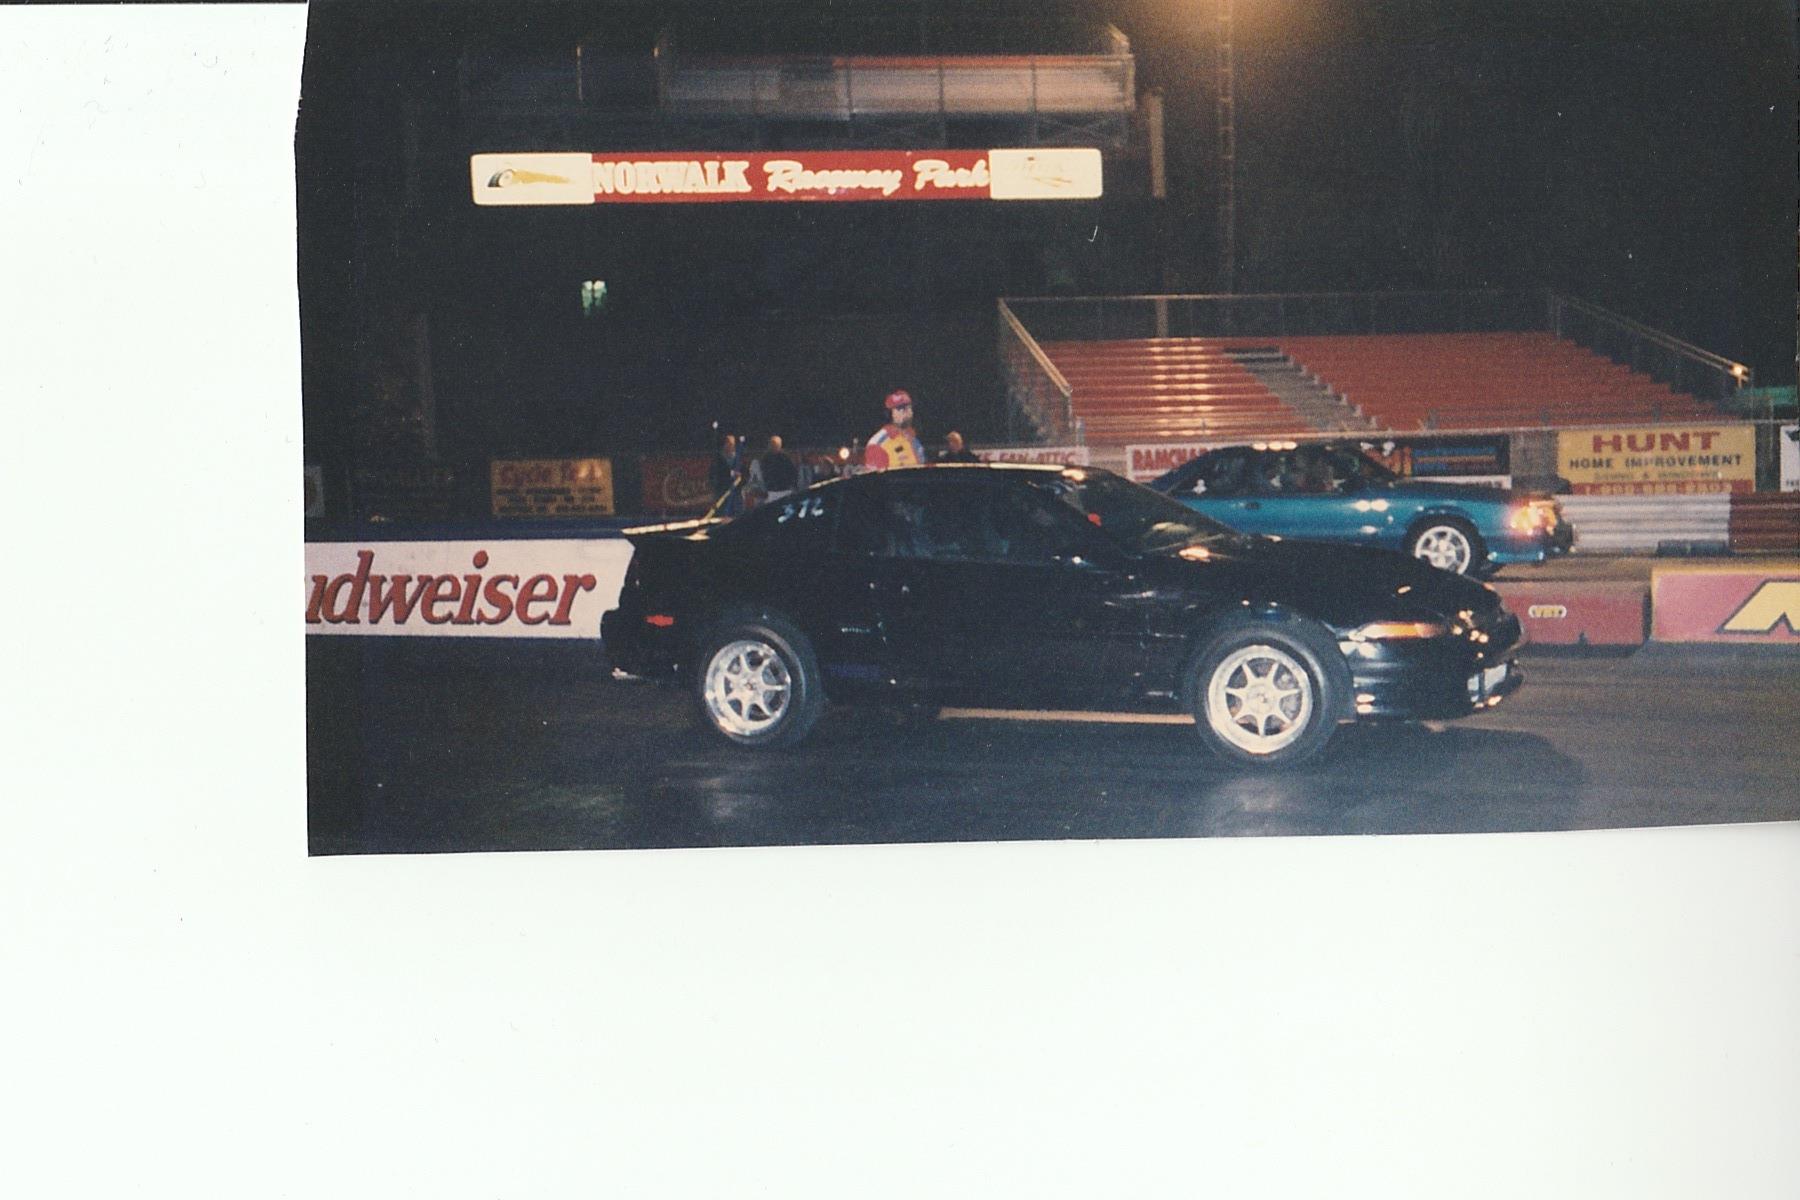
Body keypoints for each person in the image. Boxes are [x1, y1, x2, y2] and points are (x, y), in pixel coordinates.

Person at [863, 389, 926, 471]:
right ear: (889, 414)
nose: (909, 412)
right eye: (901, 409)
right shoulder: (877, 444)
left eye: (909, 408)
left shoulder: (914, 440)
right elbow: (876, 481)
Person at [749, 434, 800, 504]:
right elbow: (763, 474)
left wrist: (791, 485)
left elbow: (792, 473)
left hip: (785, 491)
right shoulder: (765, 458)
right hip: (771, 491)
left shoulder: (786, 458)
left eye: (775, 444)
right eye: (772, 444)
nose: (773, 446)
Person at [709, 433, 743, 516]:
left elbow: (744, 473)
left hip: (736, 494)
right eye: (730, 444)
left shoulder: (738, 459)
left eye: (733, 444)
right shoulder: (718, 459)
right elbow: (715, 474)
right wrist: (731, 474)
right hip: (722, 493)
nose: (732, 446)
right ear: (725, 445)